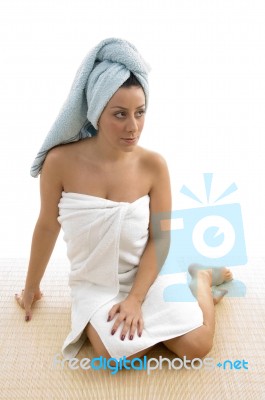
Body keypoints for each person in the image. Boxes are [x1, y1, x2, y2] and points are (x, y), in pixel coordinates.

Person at [15, 38, 232, 365]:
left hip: (146, 272)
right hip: (95, 283)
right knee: (112, 353)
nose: (133, 127)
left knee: (196, 346)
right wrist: (31, 287)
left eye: (140, 113)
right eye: (119, 114)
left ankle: (199, 275)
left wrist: (135, 298)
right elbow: (47, 225)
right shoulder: (58, 163)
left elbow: (160, 237)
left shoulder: (153, 166)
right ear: (96, 112)